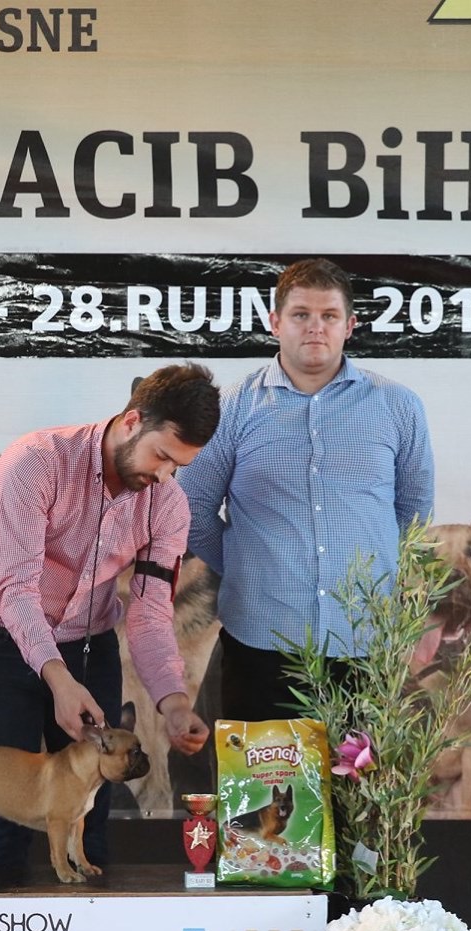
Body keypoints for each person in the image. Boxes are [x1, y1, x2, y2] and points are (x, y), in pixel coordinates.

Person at [0, 363, 219, 873]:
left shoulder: (168, 504)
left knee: (90, 816)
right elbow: (14, 588)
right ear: (132, 421)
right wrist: (57, 679)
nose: (164, 476)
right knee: (5, 823)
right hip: (2, 645)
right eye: (162, 456)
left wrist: (172, 703)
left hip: (89, 646)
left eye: (179, 466)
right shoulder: (36, 461)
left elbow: (150, 610)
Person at [178, 257, 435, 721]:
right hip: (260, 643)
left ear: (350, 325)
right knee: (262, 772)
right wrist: (246, 564)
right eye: (301, 315)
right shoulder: (233, 408)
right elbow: (191, 506)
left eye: (329, 315)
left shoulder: (399, 407)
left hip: (364, 641)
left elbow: (414, 511)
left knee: (362, 771)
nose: (315, 327)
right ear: (275, 323)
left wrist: (372, 569)